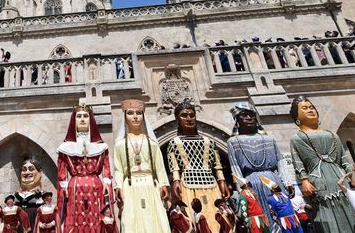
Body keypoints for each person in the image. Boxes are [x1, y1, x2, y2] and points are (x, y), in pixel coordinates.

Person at [288, 96, 355, 233]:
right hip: (318, 180)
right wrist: (304, 180)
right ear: (296, 116)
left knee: (349, 212)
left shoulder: (332, 135)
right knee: (326, 215)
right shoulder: (296, 138)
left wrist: (352, 175)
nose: (310, 110)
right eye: (305, 108)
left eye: (311, 107)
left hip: (340, 178)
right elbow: (298, 161)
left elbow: (343, 158)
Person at [168, 99, 227, 233]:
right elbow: (174, 166)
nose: (188, 118)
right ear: (178, 119)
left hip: (211, 184)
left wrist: (222, 180)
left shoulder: (209, 141)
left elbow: (217, 164)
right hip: (188, 185)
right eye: (184, 115)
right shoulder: (174, 142)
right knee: (194, 221)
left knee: (217, 219)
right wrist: (176, 181)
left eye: (191, 115)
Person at [226, 102, 286, 233]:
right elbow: (235, 167)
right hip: (251, 184)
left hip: (274, 180)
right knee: (261, 219)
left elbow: (280, 160)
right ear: (237, 120)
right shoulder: (233, 142)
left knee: (284, 216)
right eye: (244, 115)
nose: (249, 118)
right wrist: (241, 188)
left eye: (252, 115)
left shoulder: (269, 139)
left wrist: (286, 182)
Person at [113, 99, 171, 233]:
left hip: (151, 185)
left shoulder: (152, 143)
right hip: (130, 186)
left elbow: (159, 166)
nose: (135, 117)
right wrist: (118, 186)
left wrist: (163, 183)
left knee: (155, 220)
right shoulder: (120, 144)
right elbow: (119, 169)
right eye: (130, 113)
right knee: (131, 221)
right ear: (125, 117)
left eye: (138, 113)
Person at [56, 105, 113, 232]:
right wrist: (63, 186)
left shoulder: (101, 146)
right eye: (79, 116)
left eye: (86, 116)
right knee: (76, 220)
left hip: (96, 187)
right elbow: (62, 169)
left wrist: (106, 182)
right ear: (74, 120)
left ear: (91, 120)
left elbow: (106, 166)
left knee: (97, 219)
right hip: (74, 188)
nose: (82, 119)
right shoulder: (66, 146)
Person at [13, 159, 44, 226]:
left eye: (31, 169)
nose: (27, 173)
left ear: (40, 172)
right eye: (24, 170)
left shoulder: (43, 195)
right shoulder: (16, 195)